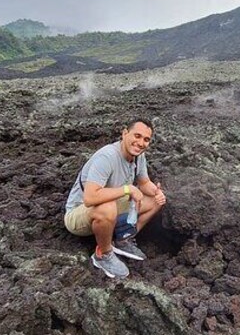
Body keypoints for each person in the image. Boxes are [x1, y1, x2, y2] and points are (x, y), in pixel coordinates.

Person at [64, 119, 166, 278]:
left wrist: (157, 192)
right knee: (107, 207)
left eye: (146, 139)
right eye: (137, 136)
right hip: (79, 213)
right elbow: (90, 198)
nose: (140, 143)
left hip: (109, 204)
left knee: (154, 200)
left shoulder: (138, 156)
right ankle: (103, 254)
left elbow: (144, 182)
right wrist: (128, 189)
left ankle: (123, 240)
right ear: (124, 133)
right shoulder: (107, 157)